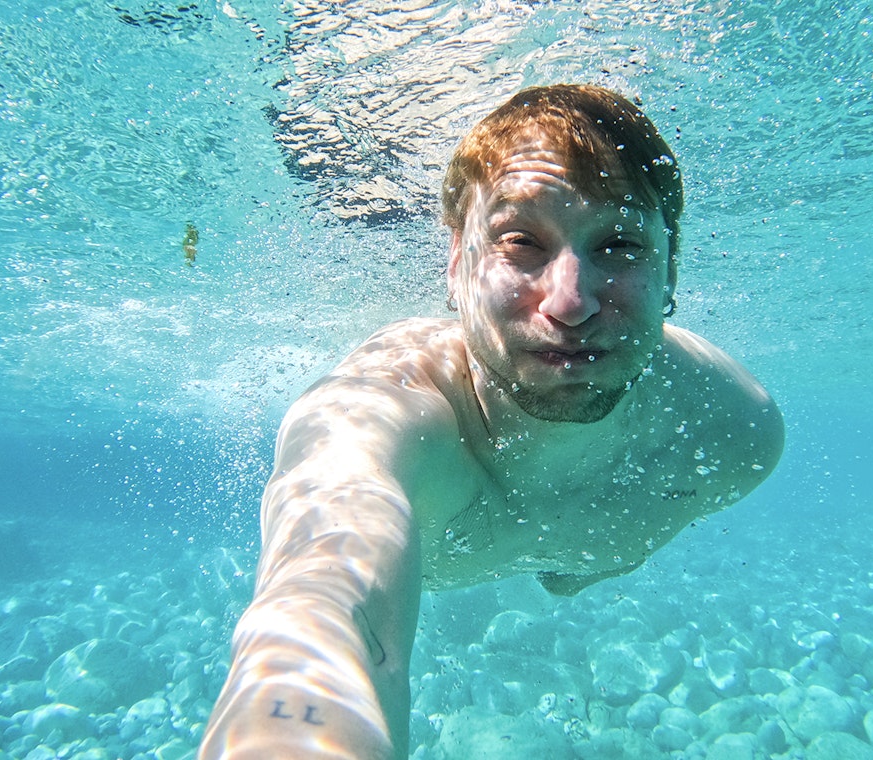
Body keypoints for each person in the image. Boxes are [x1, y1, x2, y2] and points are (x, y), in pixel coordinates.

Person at [199, 84, 783, 760]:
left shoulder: (732, 433)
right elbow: (327, 605)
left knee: (581, 568)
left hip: (586, 549)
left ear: (671, 274)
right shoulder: (386, 417)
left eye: (620, 244)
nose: (570, 303)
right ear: (457, 267)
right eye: (520, 241)